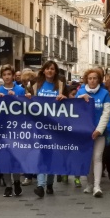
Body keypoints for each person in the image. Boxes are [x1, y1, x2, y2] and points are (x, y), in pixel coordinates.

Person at [25, 61, 67, 198]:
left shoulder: (61, 84)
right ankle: (40, 186)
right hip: (39, 124)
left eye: (52, 69)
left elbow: (70, 101)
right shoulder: (36, 84)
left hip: (55, 125)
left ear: (55, 72)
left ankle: (49, 183)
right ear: (43, 70)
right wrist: (28, 97)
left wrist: (64, 98)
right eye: (47, 69)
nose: (50, 71)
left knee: (51, 155)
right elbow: (28, 100)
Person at [76, 68, 110, 197]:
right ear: (87, 80)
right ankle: (89, 183)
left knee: (97, 157)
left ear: (99, 80)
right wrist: (80, 98)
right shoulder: (80, 91)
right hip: (85, 132)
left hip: (99, 132)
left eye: (95, 78)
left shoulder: (105, 93)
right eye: (90, 78)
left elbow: (106, 113)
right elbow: (74, 109)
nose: (92, 80)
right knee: (89, 159)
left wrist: (99, 130)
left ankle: (97, 185)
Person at [0, 64, 26, 197]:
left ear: (13, 76)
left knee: (16, 157)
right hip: (3, 128)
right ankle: (8, 185)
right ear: (2, 77)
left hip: (17, 128)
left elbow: (26, 107)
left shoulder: (20, 90)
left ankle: (17, 181)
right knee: (5, 157)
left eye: (9, 74)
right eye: (4, 75)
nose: (7, 77)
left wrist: (16, 98)